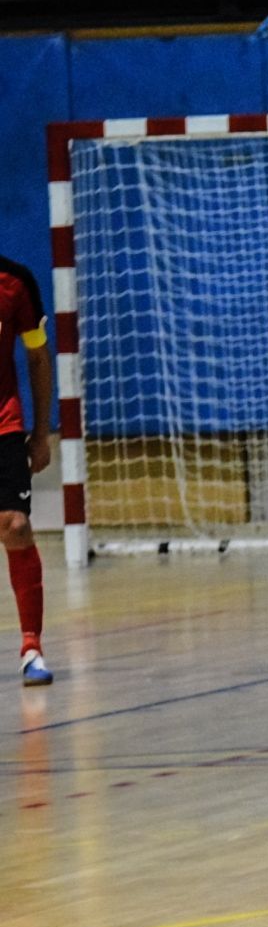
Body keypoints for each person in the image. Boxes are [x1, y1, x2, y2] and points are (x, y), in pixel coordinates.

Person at [0, 255, 55, 686]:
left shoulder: (16, 281)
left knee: (16, 526)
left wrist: (40, 433)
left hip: (4, 422)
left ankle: (31, 647)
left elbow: (37, 356)